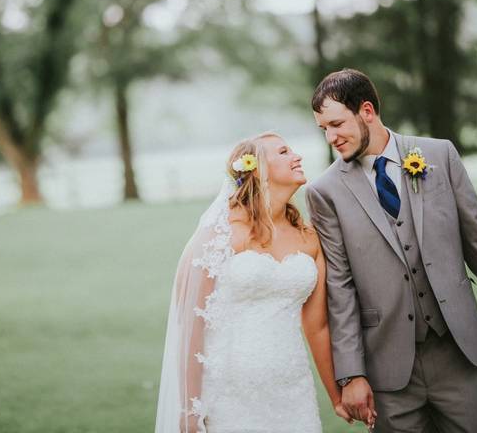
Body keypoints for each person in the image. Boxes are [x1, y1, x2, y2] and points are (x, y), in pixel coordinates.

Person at [307, 68, 477, 432]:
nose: (331, 137)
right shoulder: (324, 192)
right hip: (387, 369)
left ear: (368, 111)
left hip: (458, 355)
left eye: (337, 124)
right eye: (323, 129)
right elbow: (339, 289)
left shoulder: (441, 155)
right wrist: (351, 374)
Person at [154, 132, 363, 432]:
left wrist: (336, 395)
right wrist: (190, 410)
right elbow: (191, 326)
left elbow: (317, 326)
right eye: (283, 152)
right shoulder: (221, 234)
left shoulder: (308, 238)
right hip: (229, 395)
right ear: (257, 168)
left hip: (293, 393)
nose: (297, 156)